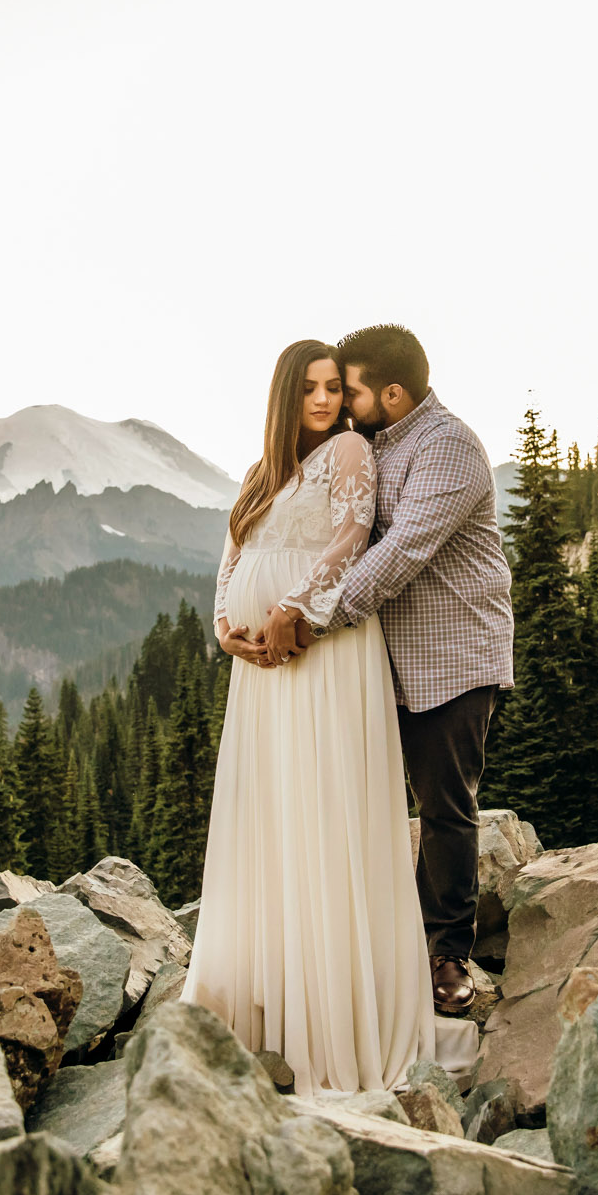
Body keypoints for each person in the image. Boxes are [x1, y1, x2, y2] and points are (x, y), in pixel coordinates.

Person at [179, 339, 439, 1094]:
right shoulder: (260, 475)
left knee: (323, 807)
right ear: (286, 396)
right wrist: (227, 626)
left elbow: (349, 539)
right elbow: (232, 557)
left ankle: (331, 1011)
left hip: (322, 654)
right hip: (261, 671)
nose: (325, 401)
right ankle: (267, 990)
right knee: (273, 811)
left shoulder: (351, 453)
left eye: (334, 388)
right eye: (311, 389)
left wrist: (294, 607)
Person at [257, 324, 512, 1017]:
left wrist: (308, 616)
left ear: (392, 394)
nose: (343, 399)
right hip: (378, 661)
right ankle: (363, 943)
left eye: (354, 388)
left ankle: (447, 955)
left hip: (452, 657)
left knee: (444, 807)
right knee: (363, 800)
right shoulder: (369, 445)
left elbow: (401, 553)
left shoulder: (449, 448)